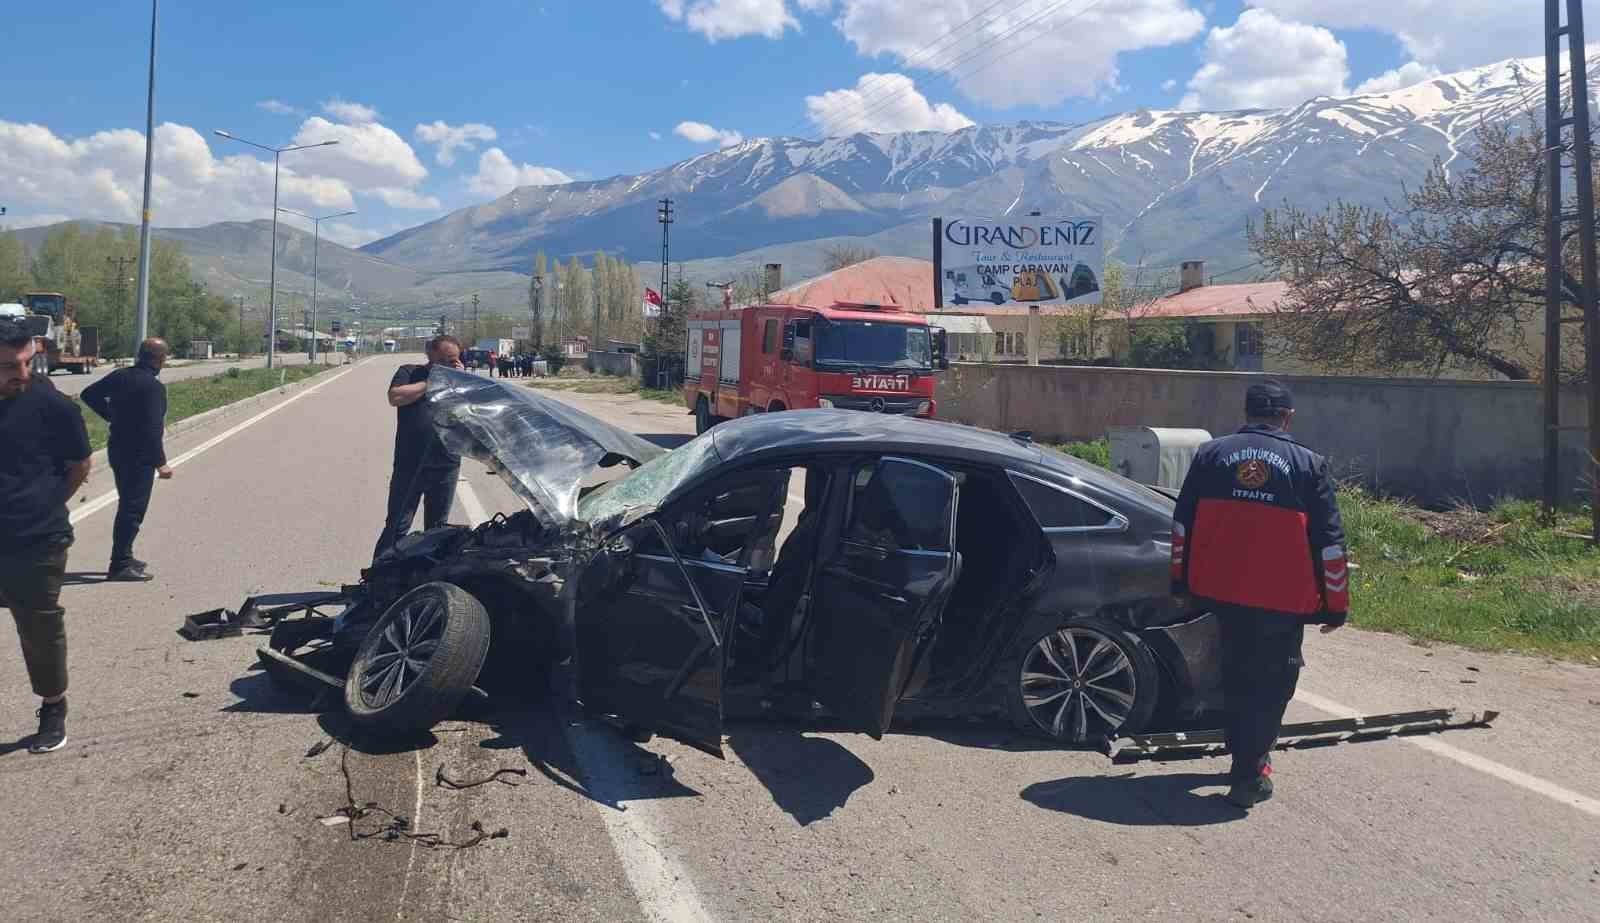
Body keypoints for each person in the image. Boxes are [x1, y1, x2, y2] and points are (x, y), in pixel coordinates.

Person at [1170, 380, 1348, 809]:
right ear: (1287, 418)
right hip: (1282, 600)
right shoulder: (1308, 464)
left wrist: (1180, 582)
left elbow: (1181, 525)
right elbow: (1329, 542)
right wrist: (1336, 604)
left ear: (1247, 413)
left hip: (1220, 591)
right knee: (1271, 685)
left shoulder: (1211, 455)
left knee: (1234, 672)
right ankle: (1251, 774)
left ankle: (1242, 756)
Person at [0, 318, 93, 753]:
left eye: (25, 363)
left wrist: (45, 506)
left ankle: (53, 704)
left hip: (35, 540)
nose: (20, 374)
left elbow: (79, 465)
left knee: (38, 628)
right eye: (6, 366)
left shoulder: (53, 406)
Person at [81, 338, 173, 582]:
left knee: (127, 504)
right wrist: (160, 462)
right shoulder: (153, 387)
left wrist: (112, 416)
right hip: (139, 455)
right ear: (159, 359)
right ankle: (120, 565)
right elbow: (153, 430)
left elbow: (88, 394)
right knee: (132, 509)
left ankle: (126, 556)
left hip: (118, 449)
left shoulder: (120, 376)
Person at [373, 334, 465, 559]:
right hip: (410, 463)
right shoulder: (410, 372)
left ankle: (424, 577)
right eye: (445, 360)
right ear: (430, 354)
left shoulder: (459, 380)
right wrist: (431, 382)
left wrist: (462, 380)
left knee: (437, 530)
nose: (449, 364)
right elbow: (395, 397)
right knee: (397, 525)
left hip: (446, 464)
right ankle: (377, 578)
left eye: (454, 360)